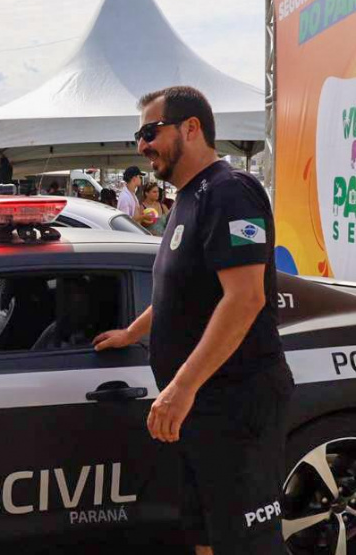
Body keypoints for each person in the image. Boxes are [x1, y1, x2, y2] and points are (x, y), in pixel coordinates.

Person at [94, 86, 291, 555]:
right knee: (204, 536)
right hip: (199, 408)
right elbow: (180, 293)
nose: (141, 146)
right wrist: (132, 333)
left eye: (149, 132)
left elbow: (244, 300)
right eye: (137, 136)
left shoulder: (230, 192)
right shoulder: (187, 197)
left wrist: (180, 389)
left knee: (247, 544)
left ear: (191, 128)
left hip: (235, 403)